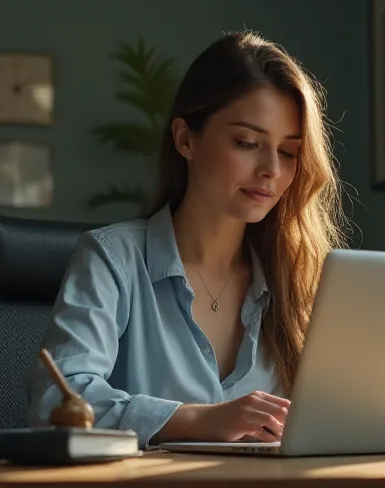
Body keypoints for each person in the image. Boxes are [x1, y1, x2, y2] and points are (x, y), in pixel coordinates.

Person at [26, 31, 349, 448]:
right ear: (185, 139)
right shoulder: (113, 258)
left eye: (288, 152)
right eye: (247, 143)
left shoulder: (299, 277)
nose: (271, 169)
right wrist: (199, 420)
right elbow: (57, 401)